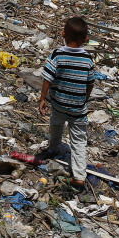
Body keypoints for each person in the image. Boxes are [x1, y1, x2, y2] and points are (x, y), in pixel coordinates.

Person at [38, 16, 95, 189]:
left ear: (63, 34)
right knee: (78, 140)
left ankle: (53, 148)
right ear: (86, 39)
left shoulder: (57, 54)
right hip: (78, 107)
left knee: (56, 124)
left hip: (58, 103)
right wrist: (84, 98)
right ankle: (79, 175)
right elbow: (90, 83)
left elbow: (47, 78)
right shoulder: (88, 59)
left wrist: (42, 99)